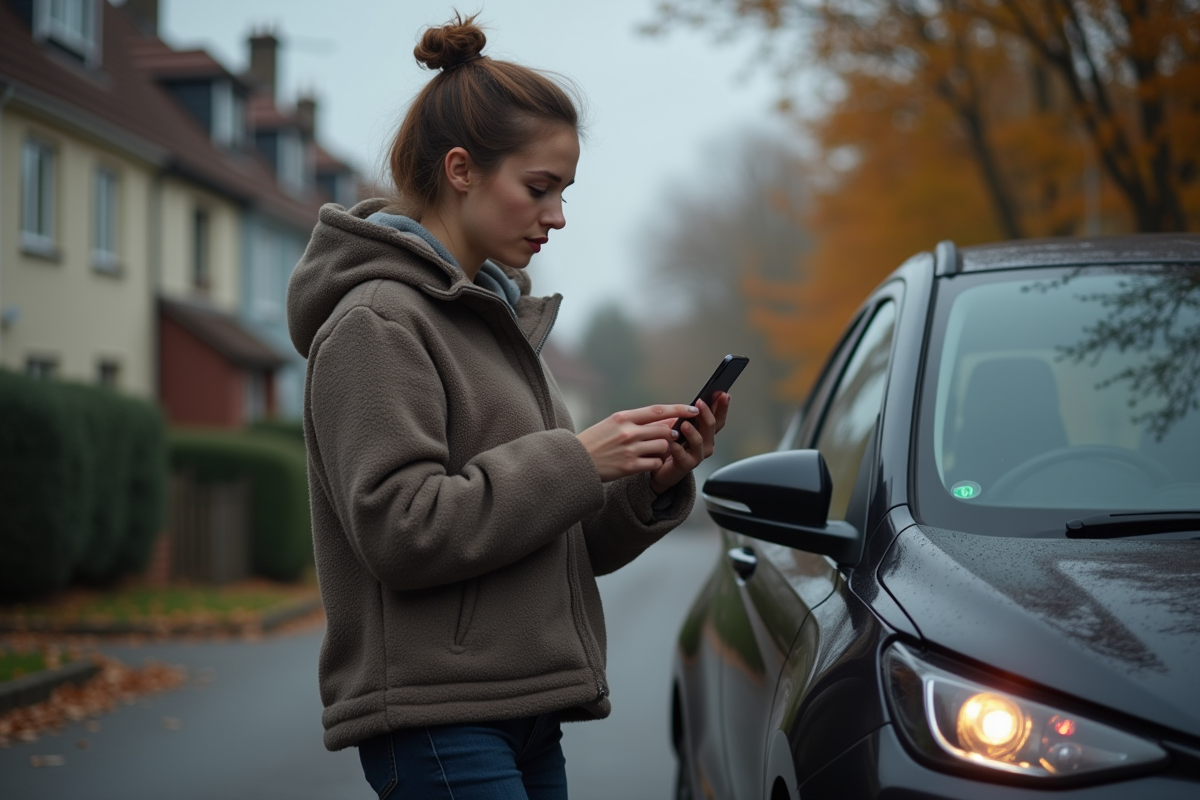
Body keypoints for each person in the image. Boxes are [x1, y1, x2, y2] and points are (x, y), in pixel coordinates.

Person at [286, 14, 729, 799]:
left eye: (563, 190)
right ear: (461, 169)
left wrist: (648, 482)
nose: (557, 215)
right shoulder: (376, 322)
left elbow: (556, 538)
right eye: (539, 187)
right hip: (436, 720)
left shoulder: (497, 325)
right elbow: (400, 528)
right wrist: (575, 459)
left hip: (525, 709)